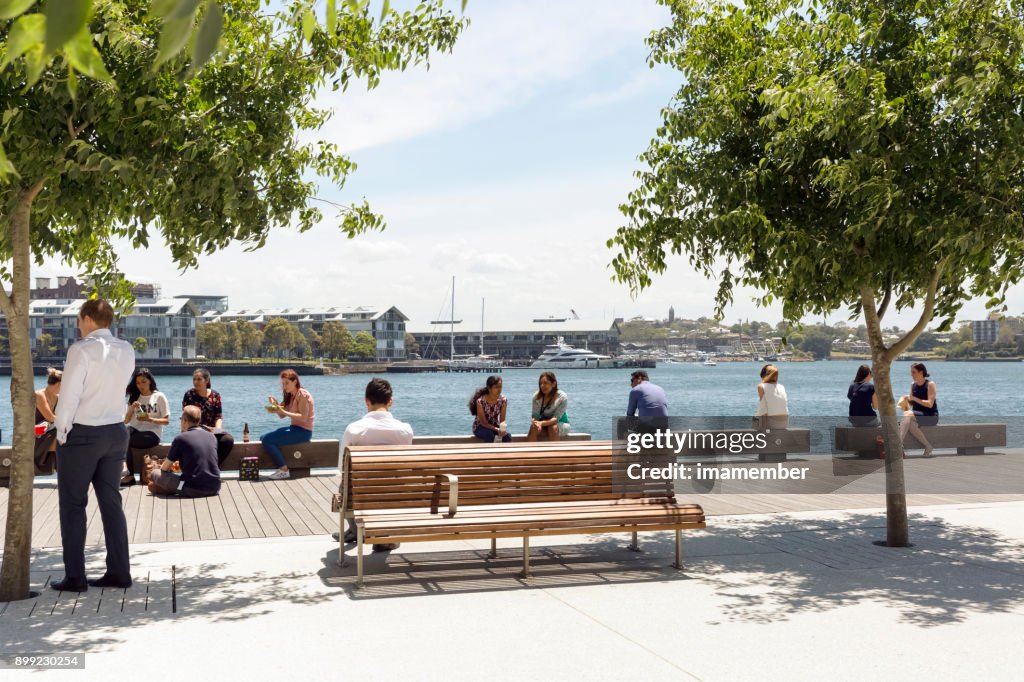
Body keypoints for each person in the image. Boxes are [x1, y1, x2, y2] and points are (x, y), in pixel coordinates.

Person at [52, 299, 135, 592]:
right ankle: (120, 572)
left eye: (79, 319)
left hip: (83, 435)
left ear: (87, 319)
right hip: (115, 431)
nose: (78, 324)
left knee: (73, 505)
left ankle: (75, 577)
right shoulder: (126, 349)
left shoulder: (82, 349)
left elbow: (69, 395)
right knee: (112, 503)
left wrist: (61, 433)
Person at [335, 378, 413, 551]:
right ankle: (383, 537)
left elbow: (342, 467)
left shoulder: (355, 429)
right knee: (389, 483)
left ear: (366, 401)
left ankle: (356, 530)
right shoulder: (405, 430)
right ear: (390, 401)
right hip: (395, 493)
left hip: (359, 494)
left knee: (345, 485)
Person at [148, 406, 222, 497]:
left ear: (184, 420)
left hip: (190, 488)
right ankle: (167, 488)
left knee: (155, 473)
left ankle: (173, 489)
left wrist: (160, 467)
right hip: (215, 487)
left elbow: (164, 468)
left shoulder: (181, 438)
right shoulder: (212, 436)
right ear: (198, 421)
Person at [260, 369, 315, 480]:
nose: (284, 386)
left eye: (287, 383)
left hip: (304, 432)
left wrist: (284, 411)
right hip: (295, 429)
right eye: (283, 383)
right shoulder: (290, 395)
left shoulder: (302, 394)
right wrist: (275, 405)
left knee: (267, 440)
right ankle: (282, 464)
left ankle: (283, 469)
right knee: (263, 437)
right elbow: (281, 415)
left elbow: (303, 417)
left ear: (295, 382)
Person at [121, 368, 170, 486]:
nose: (140, 385)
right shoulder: (134, 398)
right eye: (137, 383)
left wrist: (149, 419)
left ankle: (128, 474)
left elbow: (166, 421)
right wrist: (131, 409)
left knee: (124, 438)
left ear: (150, 381)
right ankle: (128, 473)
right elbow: (126, 421)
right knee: (123, 433)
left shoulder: (159, 396)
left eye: (143, 381)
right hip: (133, 431)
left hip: (152, 434)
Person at [182, 368, 234, 466]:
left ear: (207, 381)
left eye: (199, 379)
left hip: (211, 430)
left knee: (228, 439)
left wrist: (217, 429)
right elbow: (185, 417)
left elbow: (218, 416)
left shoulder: (215, 395)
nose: (195, 382)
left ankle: (213, 467)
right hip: (195, 430)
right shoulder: (189, 395)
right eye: (194, 379)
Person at [900, 362, 936, 456]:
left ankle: (898, 444)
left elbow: (930, 404)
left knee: (908, 414)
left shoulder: (930, 384)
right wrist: (907, 400)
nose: (911, 374)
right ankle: (928, 446)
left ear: (921, 372)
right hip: (918, 415)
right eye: (911, 372)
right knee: (911, 424)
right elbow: (913, 403)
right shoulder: (913, 384)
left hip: (930, 416)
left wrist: (914, 398)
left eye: (913, 372)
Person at [527, 371, 569, 441]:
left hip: (560, 423)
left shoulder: (562, 397)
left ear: (554, 384)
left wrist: (541, 423)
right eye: (541, 383)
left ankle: (555, 451)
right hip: (542, 423)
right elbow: (535, 416)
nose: (542, 386)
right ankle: (530, 450)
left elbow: (556, 419)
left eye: (545, 383)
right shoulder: (536, 397)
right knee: (534, 428)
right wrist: (536, 423)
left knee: (552, 428)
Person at [33, 368, 61, 471]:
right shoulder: (40, 395)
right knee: (65, 438)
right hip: (37, 435)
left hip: (49, 432)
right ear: (59, 384)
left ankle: (63, 471)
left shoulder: (57, 398)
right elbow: (50, 417)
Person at [469, 375, 511, 443]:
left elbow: (502, 420)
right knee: (489, 435)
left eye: (500, 387)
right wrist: (497, 429)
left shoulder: (503, 400)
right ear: (489, 388)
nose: (499, 390)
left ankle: (502, 453)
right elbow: (483, 423)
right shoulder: (480, 401)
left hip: (494, 427)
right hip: (480, 427)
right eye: (496, 387)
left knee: (507, 437)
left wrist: (502, 430)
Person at [755, 364, 789, 429]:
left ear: (764, 375)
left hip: (768, 424)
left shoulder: (761, 386)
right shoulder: (782, 387)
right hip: (783, 423)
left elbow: (763, 408)